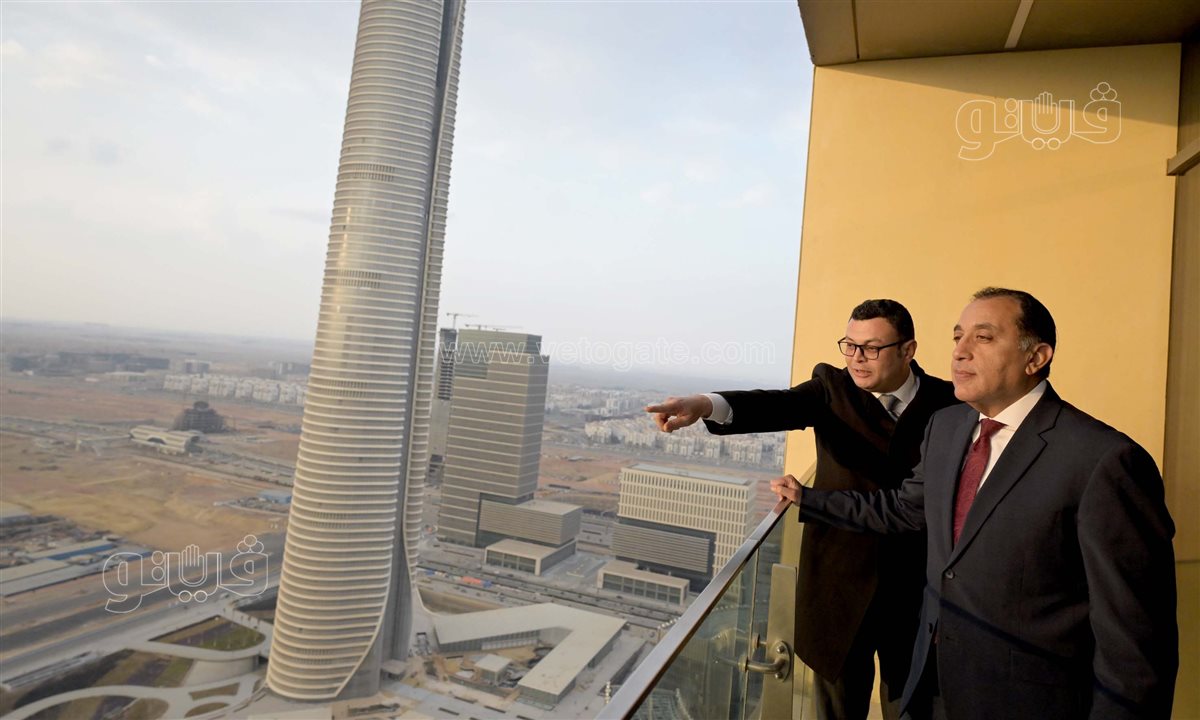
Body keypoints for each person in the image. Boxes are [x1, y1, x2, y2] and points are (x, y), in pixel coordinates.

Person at [771, 288, 1178, 720]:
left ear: (1036, 357)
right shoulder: (946, 427)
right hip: (927, 688)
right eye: (957, 337)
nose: (960, 352)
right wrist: (810, 500)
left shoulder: (1104, 461)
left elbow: (1135, 648)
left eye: (983, 338)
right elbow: (905, 509)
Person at [646, 299, 957, 720]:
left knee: (911, 707)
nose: (856, 358)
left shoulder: (948, 402)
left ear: (908, 350)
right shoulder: (832, 387)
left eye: (871, 348)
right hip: (837, 585)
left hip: (916, 588)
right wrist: (706, 404)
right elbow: (777, 405)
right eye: (849, 345)